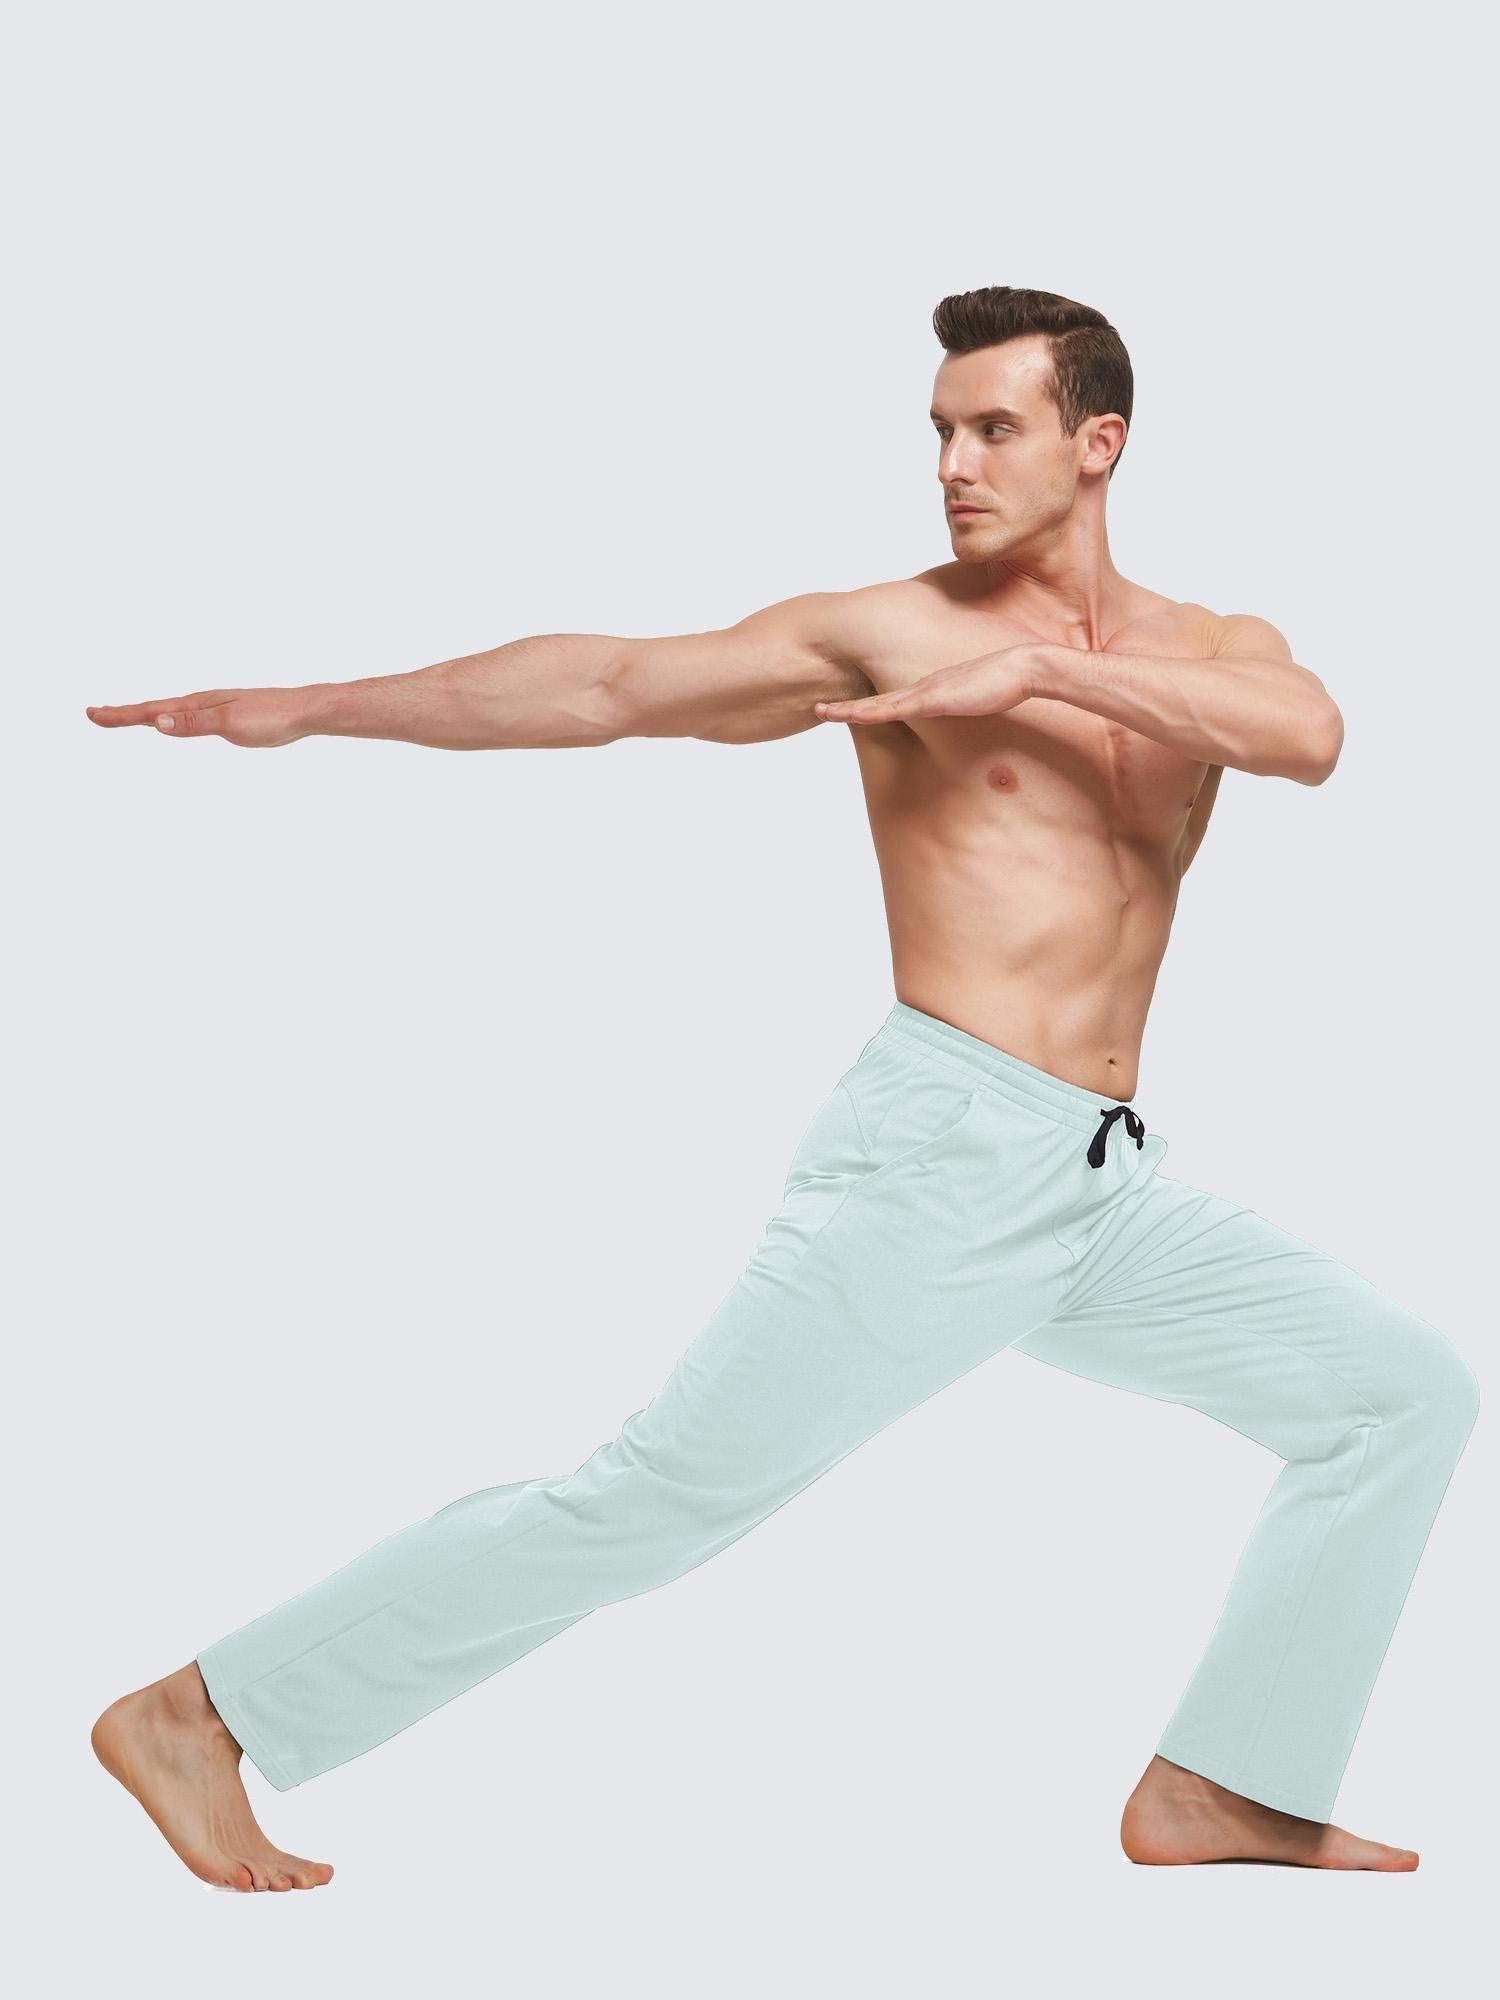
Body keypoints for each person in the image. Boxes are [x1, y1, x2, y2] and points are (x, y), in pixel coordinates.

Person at [87, 285, 1479, 1888]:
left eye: (995, 428)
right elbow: (610, 683)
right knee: (651, 1501)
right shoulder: (888, 631)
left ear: (1100, 444)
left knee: (1401, 1393)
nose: (953, 463)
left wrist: (1041, 676)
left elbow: (1308, 734)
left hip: (1099, 1180)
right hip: (942, 1152)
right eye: (941, 431)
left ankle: (1226, 1785)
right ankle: (203, 1713)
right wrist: (317, 711)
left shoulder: (1213, 648)